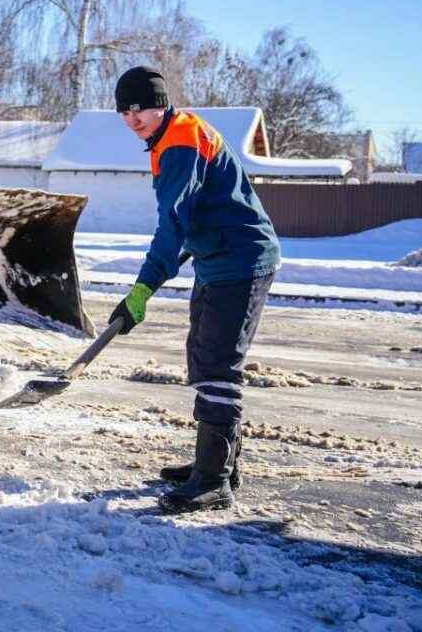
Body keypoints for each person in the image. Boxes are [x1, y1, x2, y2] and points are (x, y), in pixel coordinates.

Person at [107, 66, 280, 513]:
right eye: (124, 111)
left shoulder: (180, 142)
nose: (132, 119)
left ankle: (214, 481)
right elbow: (193, 212)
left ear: (160, 104)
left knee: (218, 363)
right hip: (216, 258)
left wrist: (142, 289)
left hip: (240, 262)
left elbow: (172, 223)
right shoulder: (169, 136)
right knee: (203, 355)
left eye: (140, 108)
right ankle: (217, 463)